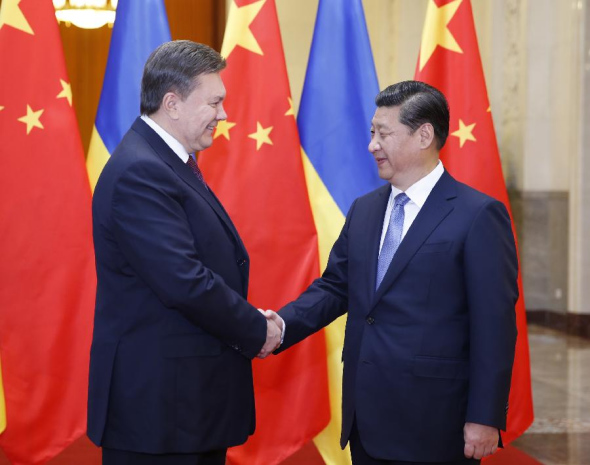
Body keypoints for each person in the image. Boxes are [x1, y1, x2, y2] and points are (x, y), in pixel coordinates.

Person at [267, 80, 518, 465]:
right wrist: (280, 326)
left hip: (435, 422)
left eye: (383, 133)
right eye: (372, 132)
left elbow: (494, 325)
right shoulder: (365, 209)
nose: (372, 145)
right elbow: (335, 287)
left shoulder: (477, 215)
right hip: (365, 418)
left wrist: (484, 417)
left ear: (423, 135)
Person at [87, 40, 282, 465]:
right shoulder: (141, 171)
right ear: (172, 103)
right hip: (159, 413)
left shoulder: (165, 162)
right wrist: (256, 329)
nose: (224, 115)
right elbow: (185, 282)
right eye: (214, 102)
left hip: (184, 407)